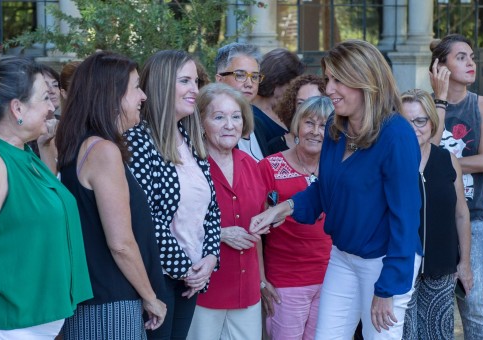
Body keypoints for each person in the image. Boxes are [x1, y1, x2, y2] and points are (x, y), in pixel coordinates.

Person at [250, 39, 422, 340]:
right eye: (328, 79)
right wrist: (285, 207)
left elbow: (406, 219)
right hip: (342, 257)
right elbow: (326, 190)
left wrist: (388, 287)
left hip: (384, 261)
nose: (329, 89)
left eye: (338, 80)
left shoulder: (397, 135)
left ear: (365, 81)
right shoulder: (334, 127)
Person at [0, 53, 92, 338]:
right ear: (17, 108)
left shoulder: (22, 153)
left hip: (34, 321)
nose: (52, 107)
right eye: (45, 98)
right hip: (5, 325)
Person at [56, 51, 167, 339]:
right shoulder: (102, 151)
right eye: (136, 88)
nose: (143, 96)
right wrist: (150, 295)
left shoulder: (77, 145)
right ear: (113, 96)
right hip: (110, 306)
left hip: (93, 301)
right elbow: (120, 243)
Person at [124, 50, 221, 339]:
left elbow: (211, 209)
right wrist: (185, 268)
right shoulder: (138, 140)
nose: (195, 89)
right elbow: (144, 218)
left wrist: (211, 257)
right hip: (158, 277)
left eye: (196, 81)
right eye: (185, 81)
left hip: (191, 277)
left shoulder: (191, 138)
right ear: (163, 84)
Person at [430, 33, 483, 340]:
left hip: (474, 215)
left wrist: (446, 166)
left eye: (471, 56)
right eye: (461, 57)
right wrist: (439, 100)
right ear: (440, 67)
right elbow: (422, 155)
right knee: (436, 301)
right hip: (432, 220)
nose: (471, 63)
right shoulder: (423, 107)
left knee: (472, 300)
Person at [187, 83, 266, 340]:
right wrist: (219, 233)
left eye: (235, 116)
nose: (229, 125)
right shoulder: (189, 166)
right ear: (200, 122)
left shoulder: (252, 166)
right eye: (219, 117)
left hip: (248, 288)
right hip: (205, 287)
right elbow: (169, 225)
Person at [258, 96, 333, 340]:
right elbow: (256, 228)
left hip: (333, 279)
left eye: (324, 126)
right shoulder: (270, 166)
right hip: (286, 280)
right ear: (297, 126)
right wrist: (261, 280)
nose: (316, 131)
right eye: (309, 123)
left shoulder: (339, 169)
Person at [400, 89, 472, 340]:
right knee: (403, 335)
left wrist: (464, 263)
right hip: (400, 267)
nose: (413, 128)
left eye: (420, 120)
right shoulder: (390, 161)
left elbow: (461, 213)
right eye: (405, 121)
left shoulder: (448, 160)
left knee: (437, 335)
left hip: (441, 267)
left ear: (431, 122)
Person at [214, 42, 269, 160]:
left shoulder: (258, 124)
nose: (249, 84)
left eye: (254, 76)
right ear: (220, 79)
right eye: (240, 75)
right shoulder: (210, 126)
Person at [252, 48, 305, 145]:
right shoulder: (252, 116)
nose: (294, 90)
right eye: (292, 84)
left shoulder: (284, 110)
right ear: (277, 81)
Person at [266, 74, 326, 154]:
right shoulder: (274, 146)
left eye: (314, 103)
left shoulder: (333, 147)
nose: (306, 109)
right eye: (301, 103)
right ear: (292, 106)